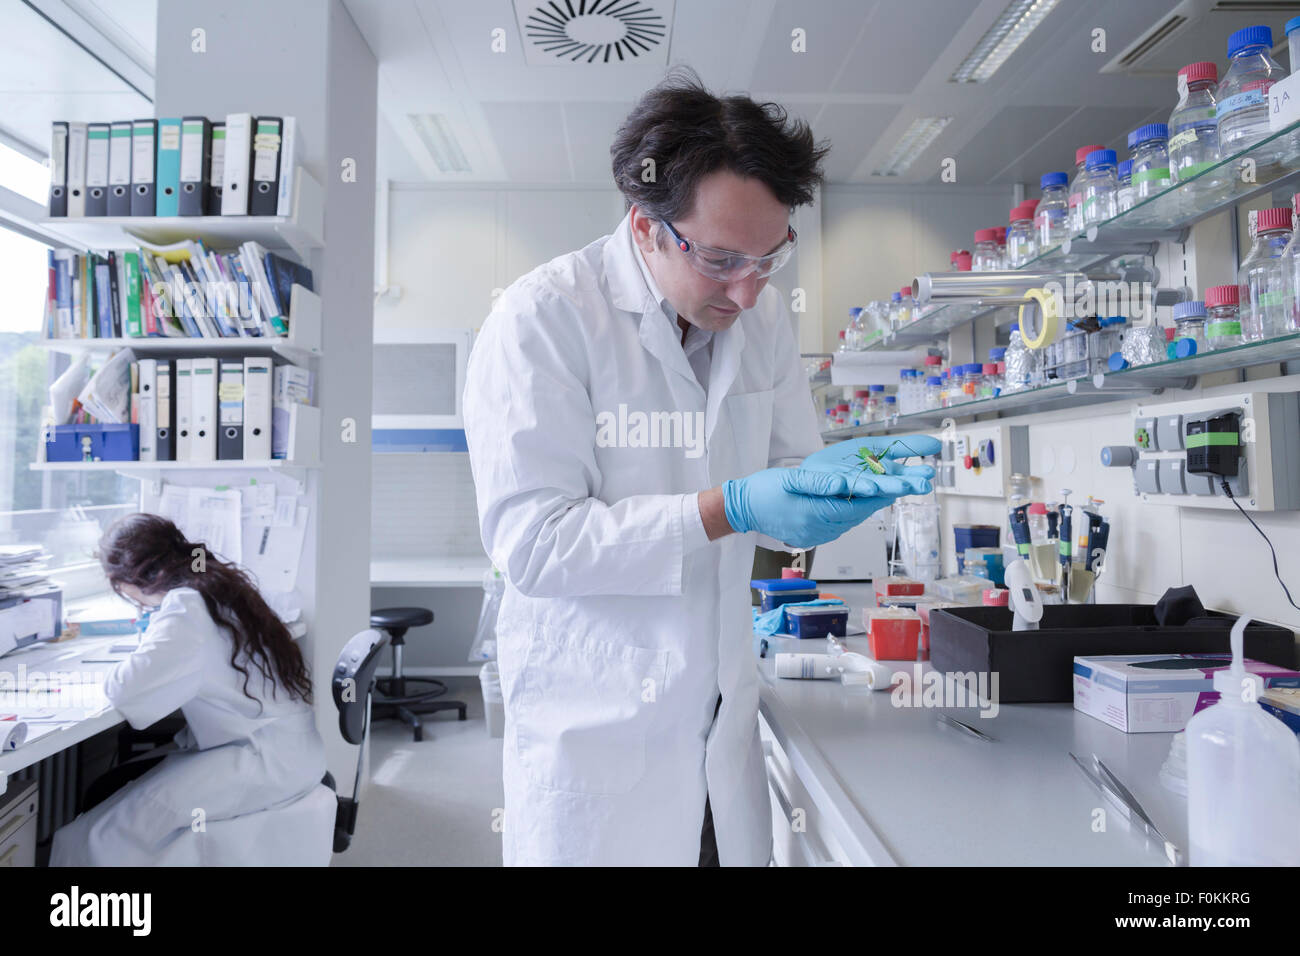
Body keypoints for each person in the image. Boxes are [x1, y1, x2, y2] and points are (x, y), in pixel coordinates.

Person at [463, 68, 938, 866]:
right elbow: (536, 545)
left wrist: (843, 486)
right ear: (645, 226)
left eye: (770, 259)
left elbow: (790, 468)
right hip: (602, 741)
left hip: (726, 731)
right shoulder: (541, 319)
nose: (748, 293)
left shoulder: (759, 320)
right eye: (721, 259)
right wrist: (729, 506)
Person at [50, 513, 334, 866]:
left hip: (260, 762)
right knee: (116, 816)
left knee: (94, 835)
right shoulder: (216, 588)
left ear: (124, 582)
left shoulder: (186, 607)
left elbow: (126, 691)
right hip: (285, 750)